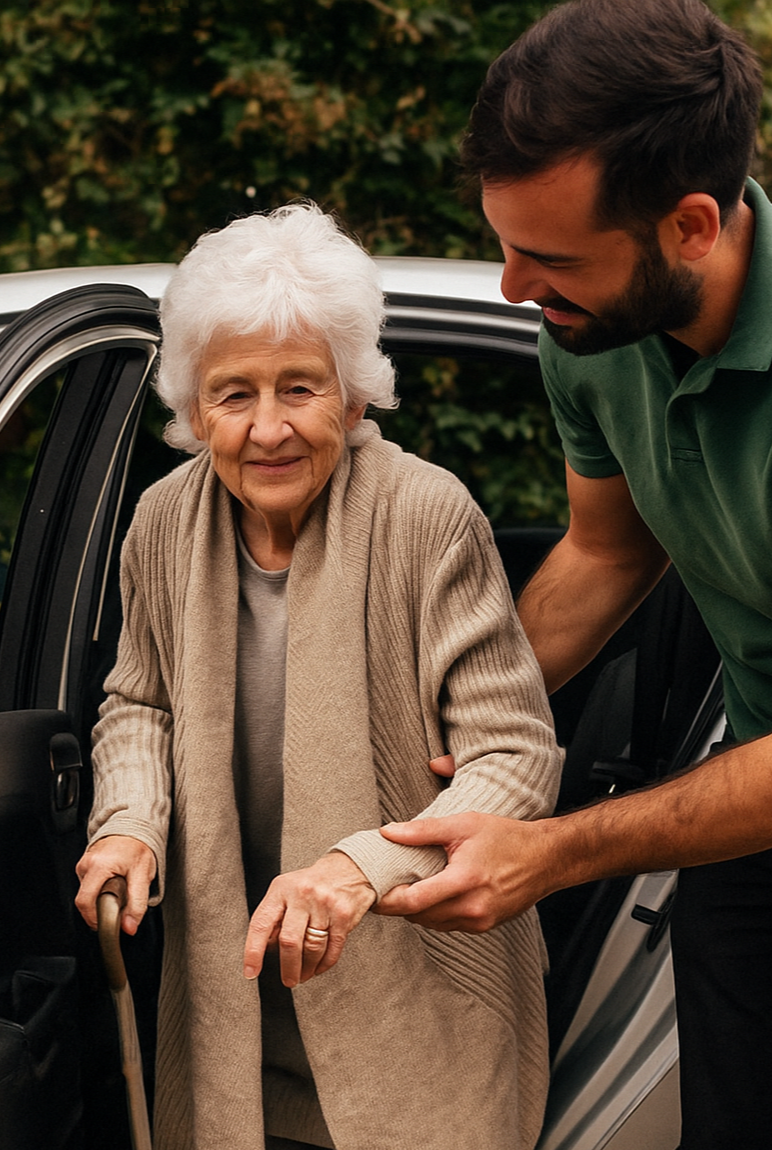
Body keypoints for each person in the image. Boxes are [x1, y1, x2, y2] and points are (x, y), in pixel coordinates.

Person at [74, 203, 563, 1150]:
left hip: (413, 1010)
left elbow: (513, 757)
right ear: (189, 409)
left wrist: (355, 872)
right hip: (234, 1019)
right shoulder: (162, 525)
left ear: (351, 395)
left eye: (299, 388)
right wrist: (129, 825)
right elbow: (139, 701)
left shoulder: (427, 515)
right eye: (233, 394)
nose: (267, 430)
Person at [376, 0, 772, 1145]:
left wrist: (547, 850)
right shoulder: (586, 340)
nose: (510, 288)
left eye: (546, 259)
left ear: (689, 226)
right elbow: (607, 548)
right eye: (502, 244)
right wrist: (428, 723)